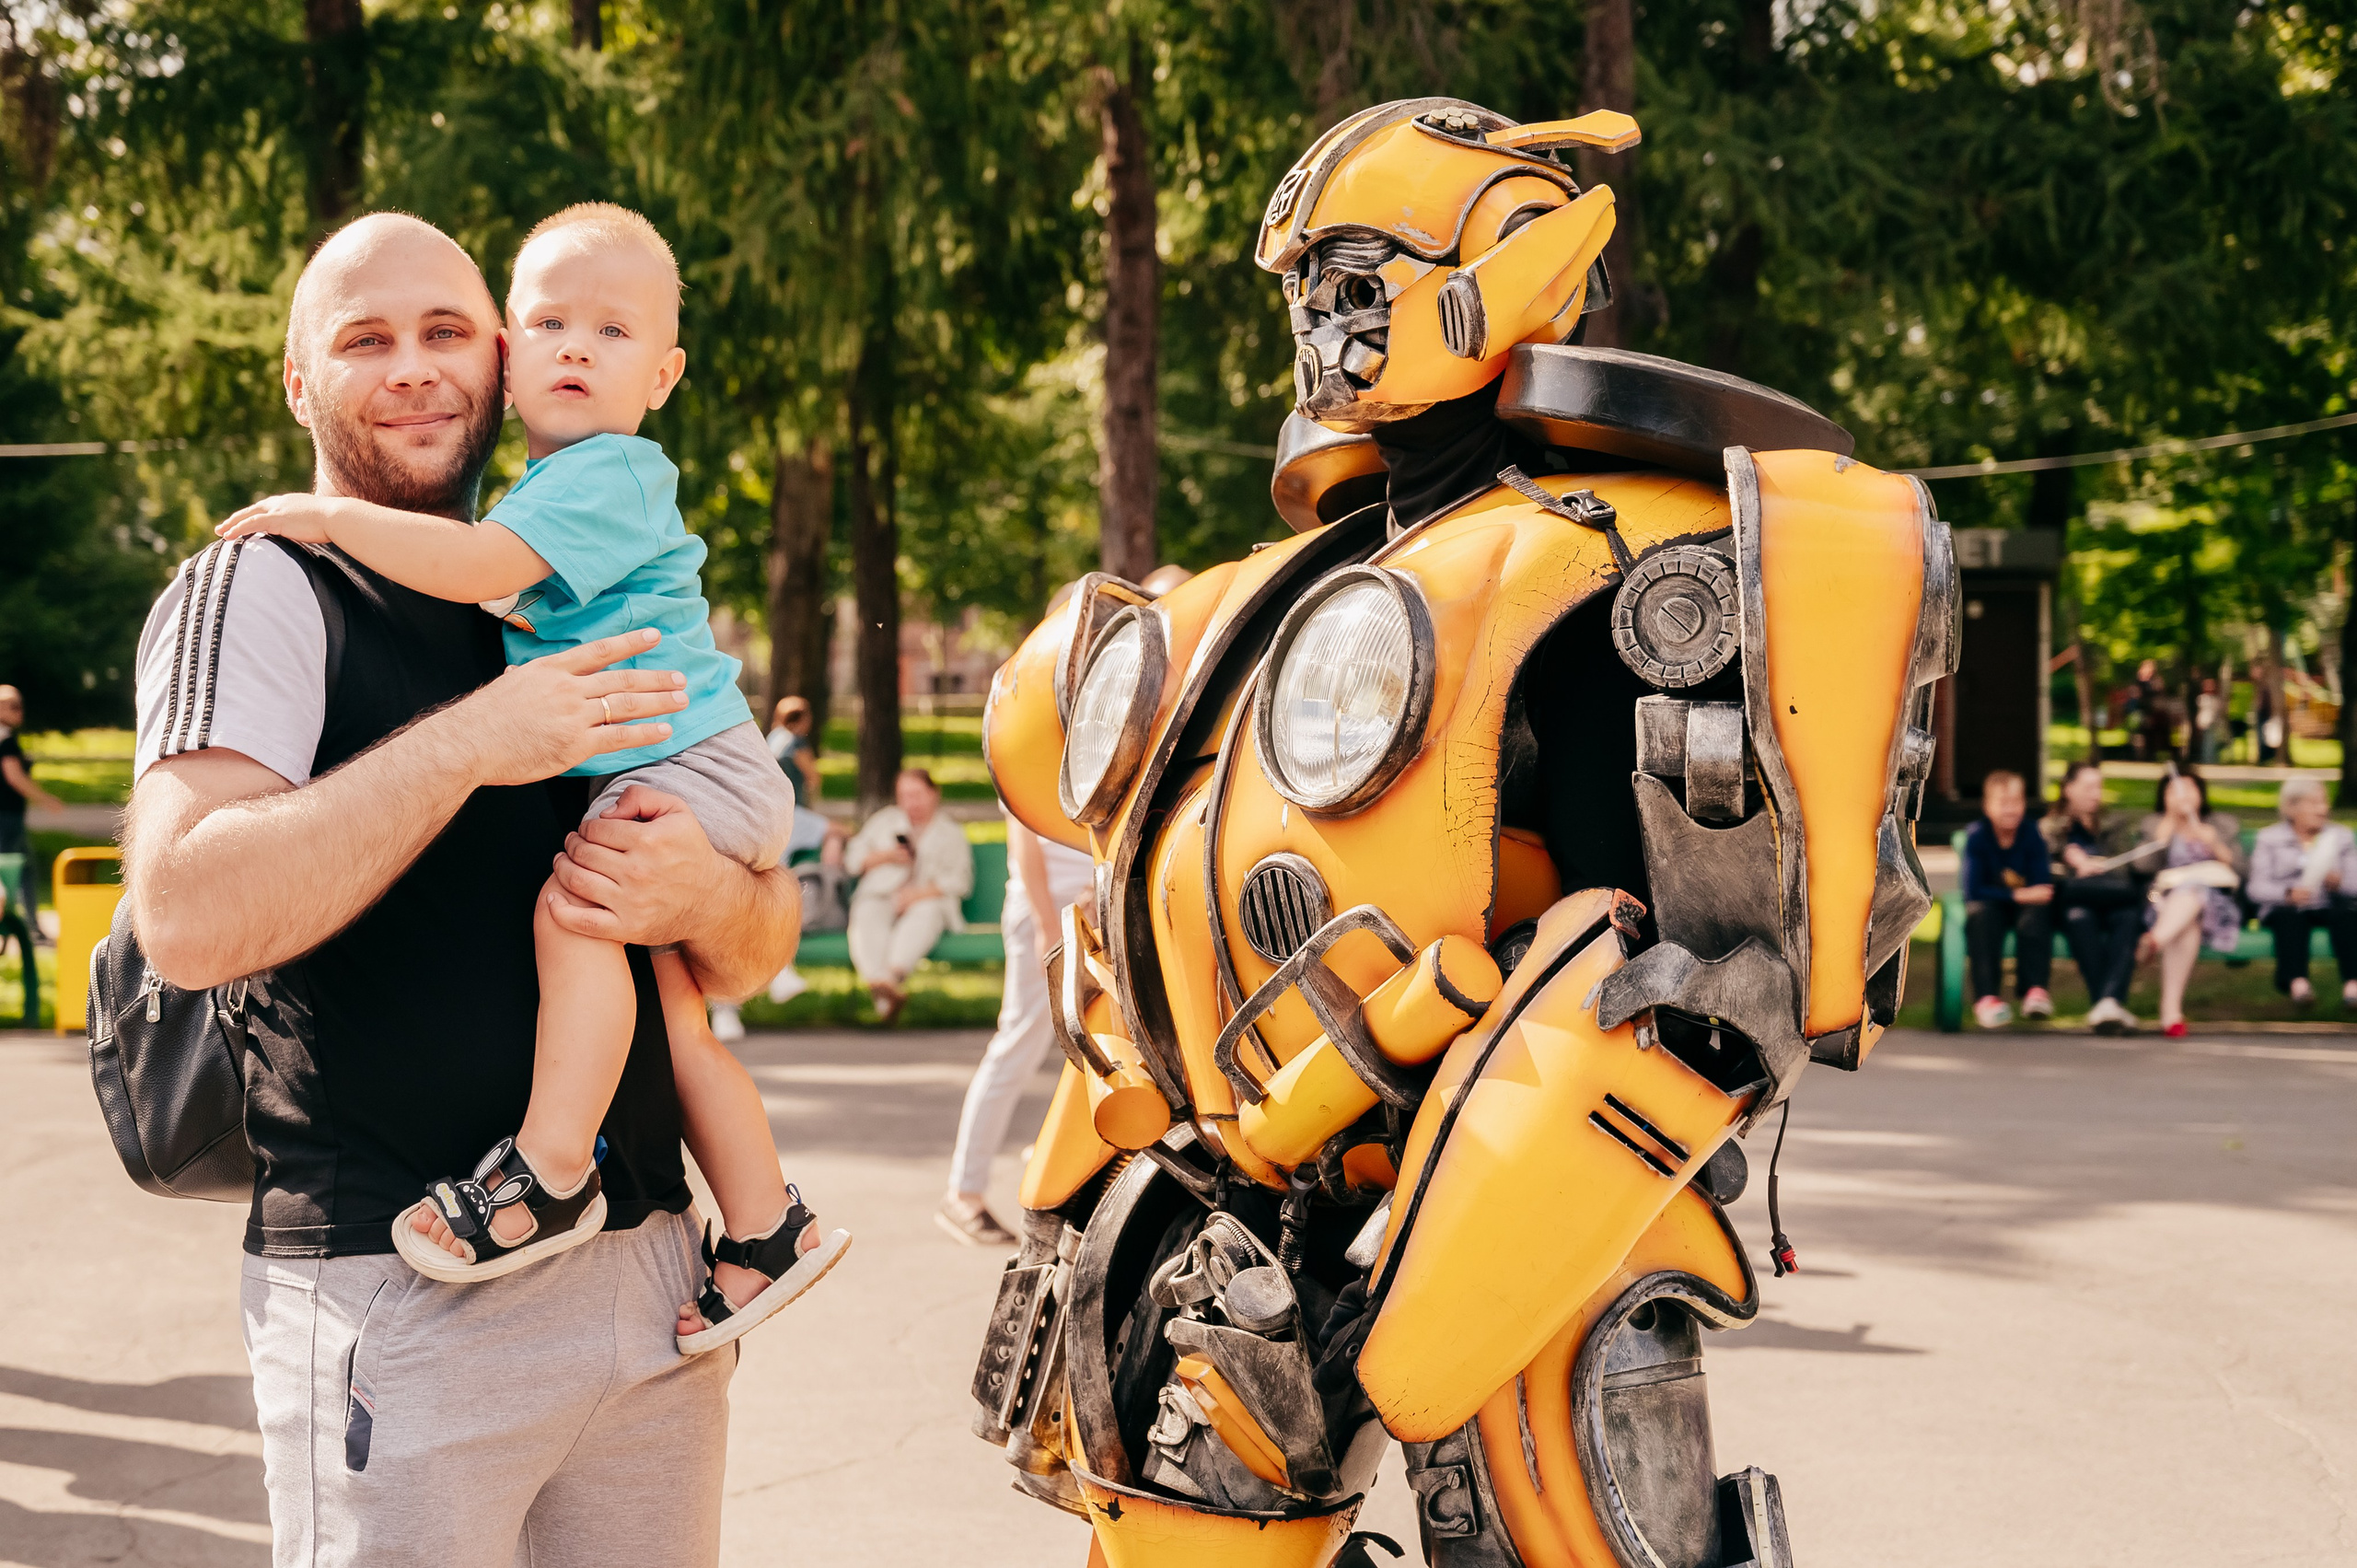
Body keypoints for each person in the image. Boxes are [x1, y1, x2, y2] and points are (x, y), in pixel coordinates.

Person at [127, 212, 798, 1566]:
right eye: (365, 341)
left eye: (446, 332)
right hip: (405, 1280)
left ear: (499, 354)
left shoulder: (566, 568)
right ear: (299, 379)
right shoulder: (266, 580)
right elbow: (185, 915)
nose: (417, 368)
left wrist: (703, 895)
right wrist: (475, 744)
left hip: (646, 1284)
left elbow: (749, 945)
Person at [220, 203, 846, 1346]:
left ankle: (552, 1170)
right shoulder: (558, 485)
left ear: (663, 373)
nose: (572, 346)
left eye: (610, 331)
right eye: (550, 321)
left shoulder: (605, 472)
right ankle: (765, 1226)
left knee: (575, 916)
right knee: (678, 1015)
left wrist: (328, 515)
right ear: (513, 361)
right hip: (693, 762)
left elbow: (479, 568)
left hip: (683, 760)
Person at [939, 816, 1096, 1244]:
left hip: (1094, 906)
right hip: (1045, 913)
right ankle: (963, 1193)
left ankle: (1052, 1156)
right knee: (1018, 1045)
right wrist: (1048, 925)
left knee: (1098, 1046)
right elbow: (1025, 839)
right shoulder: (1035, 748)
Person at [844, 767, 973, 1023]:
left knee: (927, 913)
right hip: (882, 894)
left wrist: (917, 895)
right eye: (904, 796)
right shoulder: (885, 822)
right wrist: (887, 856)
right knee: (868, 912)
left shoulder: (949, 832)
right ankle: (885, 987)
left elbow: (960, 881)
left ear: (934, 794)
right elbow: (852, 860)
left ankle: (886, 983)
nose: (910, 803)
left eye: (917, 794)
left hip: (927, 899)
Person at [2043, 761, 2150, 1035]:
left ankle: (2106, 1004)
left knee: (2128, 918)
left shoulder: (2114, 824)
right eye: (2089, 787)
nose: (2096, 794)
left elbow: (2127, 867)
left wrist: (2101, 865)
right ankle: (2110, 1002)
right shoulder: (2050, 827)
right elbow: (2044, 863)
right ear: (2068, 789)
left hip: (2113, 899)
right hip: (2075, 901)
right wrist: (2071, 857)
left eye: (2099, 787)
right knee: (2079, 918)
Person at [2140, 768, 2245, 1038]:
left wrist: (2213, 842)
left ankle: (2155, 942)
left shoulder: (2221, 825)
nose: (2182, 796)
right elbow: (2142, 868)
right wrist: (2165, 833)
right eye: (2174, 790)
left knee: (2195, 891)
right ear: (2163, 797)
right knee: (2188, 923)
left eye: (2190, 789)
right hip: (2166, 906)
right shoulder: (2154, 824)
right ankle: (2171, 1012)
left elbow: (2243, 870)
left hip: (2216, 904)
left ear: (2201, 793)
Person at [2245, 775, 2357, 1009]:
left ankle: (2353, 987)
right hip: (2286, 906)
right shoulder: (2269, 838)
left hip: (2329, 904)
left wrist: (2339, 882)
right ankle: (2299, 986)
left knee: (2348, 916)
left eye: (2324, 802)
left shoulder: (2341, 837)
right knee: (2289, 918)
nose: (2322, 809)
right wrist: (2286, 894)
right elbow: (2256, 887)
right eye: (2314, 803)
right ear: (2291, 807)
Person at [1960, 769, 2055, 1028]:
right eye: (2003, 803)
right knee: (1981, 915)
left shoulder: (2031, 834)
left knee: (2036, 915)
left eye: (2016, 803)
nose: (2010, 810)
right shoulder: (1977, 836)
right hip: (1992, 906)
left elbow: (2042, 884)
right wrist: (2017, 894)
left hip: (2024, 908)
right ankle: (1987, 998)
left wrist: (2026, 896)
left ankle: (2034, 991)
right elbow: (1973, 889)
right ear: (1987, 806)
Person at [0, 683, 65, 858]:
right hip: (6, 815)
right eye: (14, 707)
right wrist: (44, 799)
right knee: (16, 869)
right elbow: (14, 776)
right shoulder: (6, 743)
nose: (20, 711)